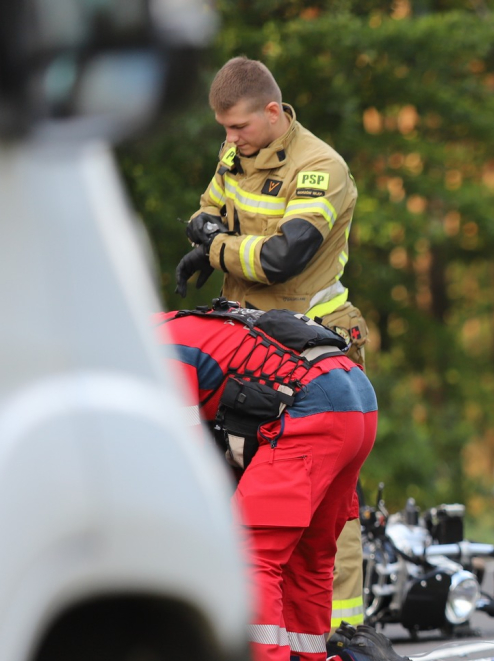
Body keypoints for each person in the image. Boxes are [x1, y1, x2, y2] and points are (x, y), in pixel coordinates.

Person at [155, 302, 432, 661]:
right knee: (308, 560)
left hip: (311, 405)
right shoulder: (176, 330)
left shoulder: (154, 353)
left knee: (248, 554)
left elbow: (191, 470)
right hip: (354, 397)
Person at [177, 56, 372, 630]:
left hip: (316, 347)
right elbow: (205, 213)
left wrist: (215, 248)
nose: (229, 139)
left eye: (238, 126)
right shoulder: (236, 153)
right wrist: (212, 236)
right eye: (224, 130)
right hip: (249, 346)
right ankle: (263, 631)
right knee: (250, 491)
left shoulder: (320, 167)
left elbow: (286, 259)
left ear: (271, 111)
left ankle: (341, 641)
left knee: (328, 509)